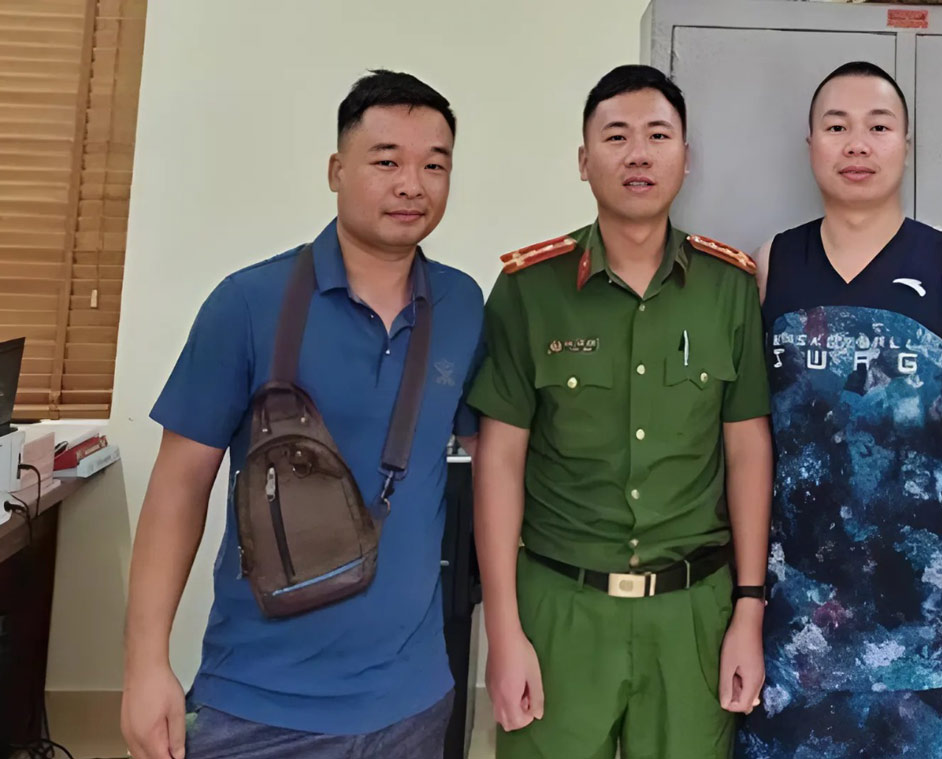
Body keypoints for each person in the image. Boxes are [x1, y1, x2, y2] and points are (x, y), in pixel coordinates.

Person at [120, 70, 484, 759]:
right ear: (335, 169)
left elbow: (495, 455)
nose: (413, 183)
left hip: (413, 700)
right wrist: (144, 665)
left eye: (435, 165)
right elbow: (178, 486)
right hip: (256, 703)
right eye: (387, 161)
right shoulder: (247, 303)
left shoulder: (464, 308)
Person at [735, 61, 942, 759]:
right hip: (799, 657)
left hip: (940, 658)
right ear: (811, 144)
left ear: (906, 144)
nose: (857, 144)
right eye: (837, 126)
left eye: (878, 127)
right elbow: (745, 451)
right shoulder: (768, 269)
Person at [466, 64, 773, 759]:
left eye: (658, 135)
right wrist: (505, 630)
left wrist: (748, 608)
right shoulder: (528, 291)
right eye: (616, 136)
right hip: (560, 608)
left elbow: (748, 449)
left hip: (692, 611)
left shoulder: (727, 288)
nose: (638, 153)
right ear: (583, 160)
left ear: (685, 159)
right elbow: (499, 459)